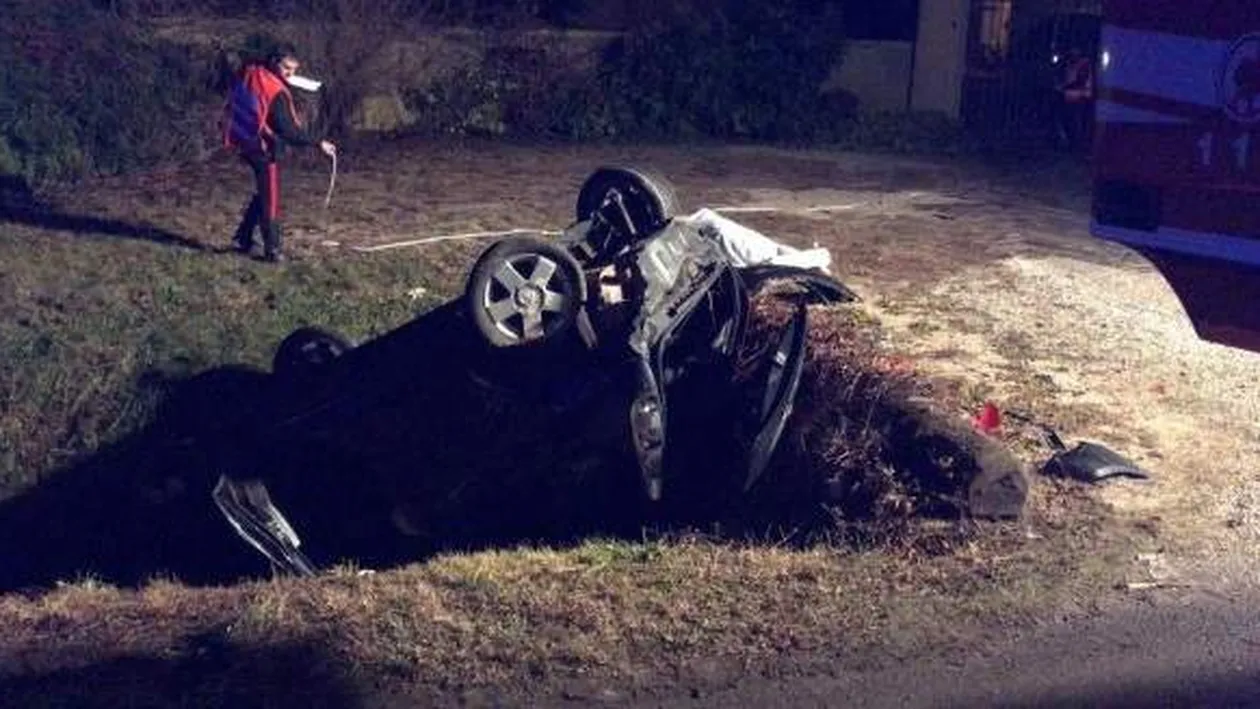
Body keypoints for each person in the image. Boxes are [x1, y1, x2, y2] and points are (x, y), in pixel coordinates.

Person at [223, 44, 336, 262]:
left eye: (294, 69)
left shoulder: (252, 72)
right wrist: (318, 142)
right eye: (286, 68)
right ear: (274, 62)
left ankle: (243, 238)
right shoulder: (276, 91)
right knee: (271, 198)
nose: (290, 74)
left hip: (243, 139)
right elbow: (288, 131)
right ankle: (273, 250)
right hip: (262, 147)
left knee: (264, 192)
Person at [1053, 47, 1095, 152]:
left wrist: (1064, 87)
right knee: (1070, 121)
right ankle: (1071, 144)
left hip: (1079, 96)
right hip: (1070, 96)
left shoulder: (1083, 64)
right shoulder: (1068, 63)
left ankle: (1077, 145)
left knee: (1077, 122)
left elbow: (1080, 81)